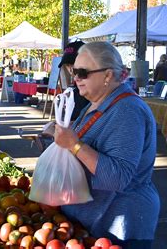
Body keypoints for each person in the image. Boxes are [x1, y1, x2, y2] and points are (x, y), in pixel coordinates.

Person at [53, 41, 159, 248]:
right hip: (96, 220)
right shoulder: (97, 103)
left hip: (120, 228)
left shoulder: (128, 110)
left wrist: (75, 145)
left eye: (83, 72)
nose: (76, 78)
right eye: (74, 72)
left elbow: (118, 177)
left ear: (108, 75)